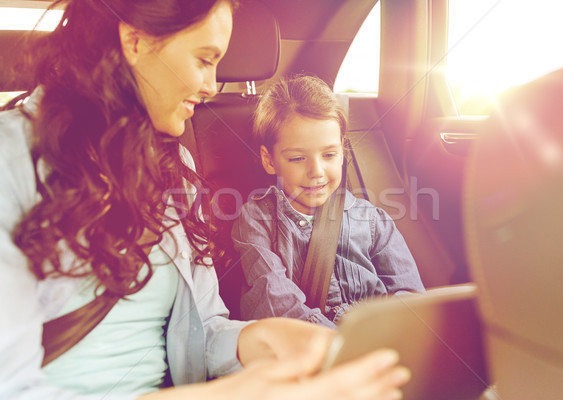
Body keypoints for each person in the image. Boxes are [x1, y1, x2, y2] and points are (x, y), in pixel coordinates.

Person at [0, 1, 411, 399]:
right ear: (136, 42)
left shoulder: (173, 168)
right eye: (203, 59)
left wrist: (256, 339)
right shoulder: (10, 158)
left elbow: (203, 327)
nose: (212, 85)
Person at [232, 75, 425, 328]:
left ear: (343, 152)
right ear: (269, 160)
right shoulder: (258, 220)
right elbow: (273, 297)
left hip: (378, 337)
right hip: (306, 343)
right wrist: (338, 344)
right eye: (298, 158)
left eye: (329, 155)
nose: (317, 171)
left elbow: (409, 295)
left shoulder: (372, 220)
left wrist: (388, 334)